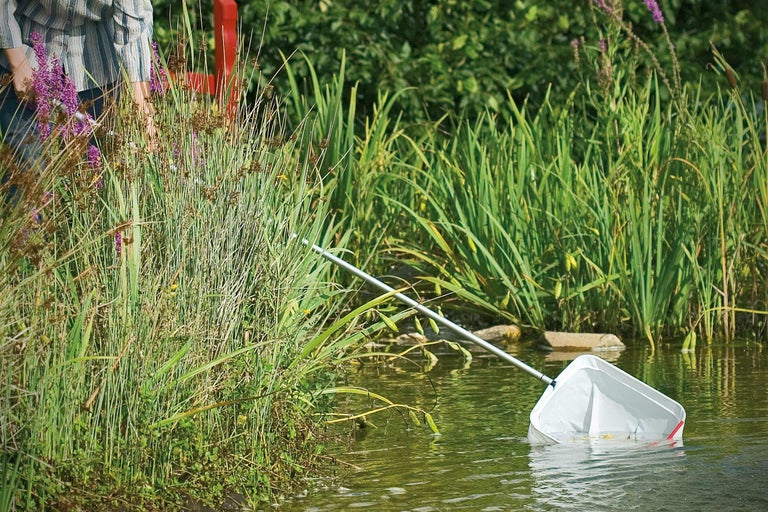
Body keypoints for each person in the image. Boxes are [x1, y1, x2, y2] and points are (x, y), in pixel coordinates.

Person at [0, 0, 155, 167]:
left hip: (96, 62)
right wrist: (19, 64)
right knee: (27, 166)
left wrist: (143, 111)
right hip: (26, 51)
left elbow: (132, 23)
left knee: (90, 171)